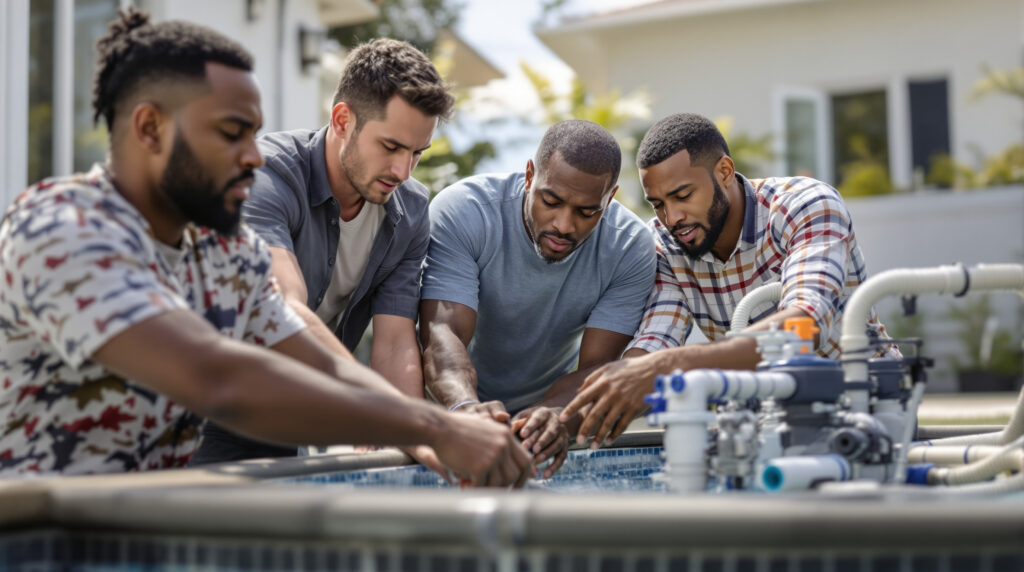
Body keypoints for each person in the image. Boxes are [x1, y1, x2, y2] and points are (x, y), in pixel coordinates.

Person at [0, 9, 534, 487]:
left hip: (135, 533)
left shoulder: (223, 254)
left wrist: (426, 436)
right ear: (150, 127)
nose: (254, 156)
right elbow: (214, 378)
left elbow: (309, 347)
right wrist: (433, 425)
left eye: (254, 133)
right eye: (231, 132)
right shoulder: (62, 229)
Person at [560, 113, 899, 447]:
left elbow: (806, 327)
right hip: (763, 421)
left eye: (682, 196)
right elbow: (653, 345)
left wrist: (663, 367)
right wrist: (555, 419)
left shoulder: (805, 205)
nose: (672, 218)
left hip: (865, 411)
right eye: (659, 204)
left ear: (723, 171)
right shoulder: (665, 244)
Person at [189, 38, 451, 465]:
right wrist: (396, 415)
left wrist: (410, 439)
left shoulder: (411, 211)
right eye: (391, 147)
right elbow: (282, 307)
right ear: (343, 119)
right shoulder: (263, 178)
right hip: (204, 408)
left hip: (288, 416)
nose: (403, 171)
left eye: (416, 154)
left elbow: (394, 342)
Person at [419, 120, 656, 477]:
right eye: (551, 200)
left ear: (611, 197)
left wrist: (557, 415)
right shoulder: (466, 211)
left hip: (545, 418)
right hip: (444, 412)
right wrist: (465, 408)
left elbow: (597, 367)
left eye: (587, 211)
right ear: (529, 175)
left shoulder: (629, 248)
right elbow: (443, 332)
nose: (564, 225)